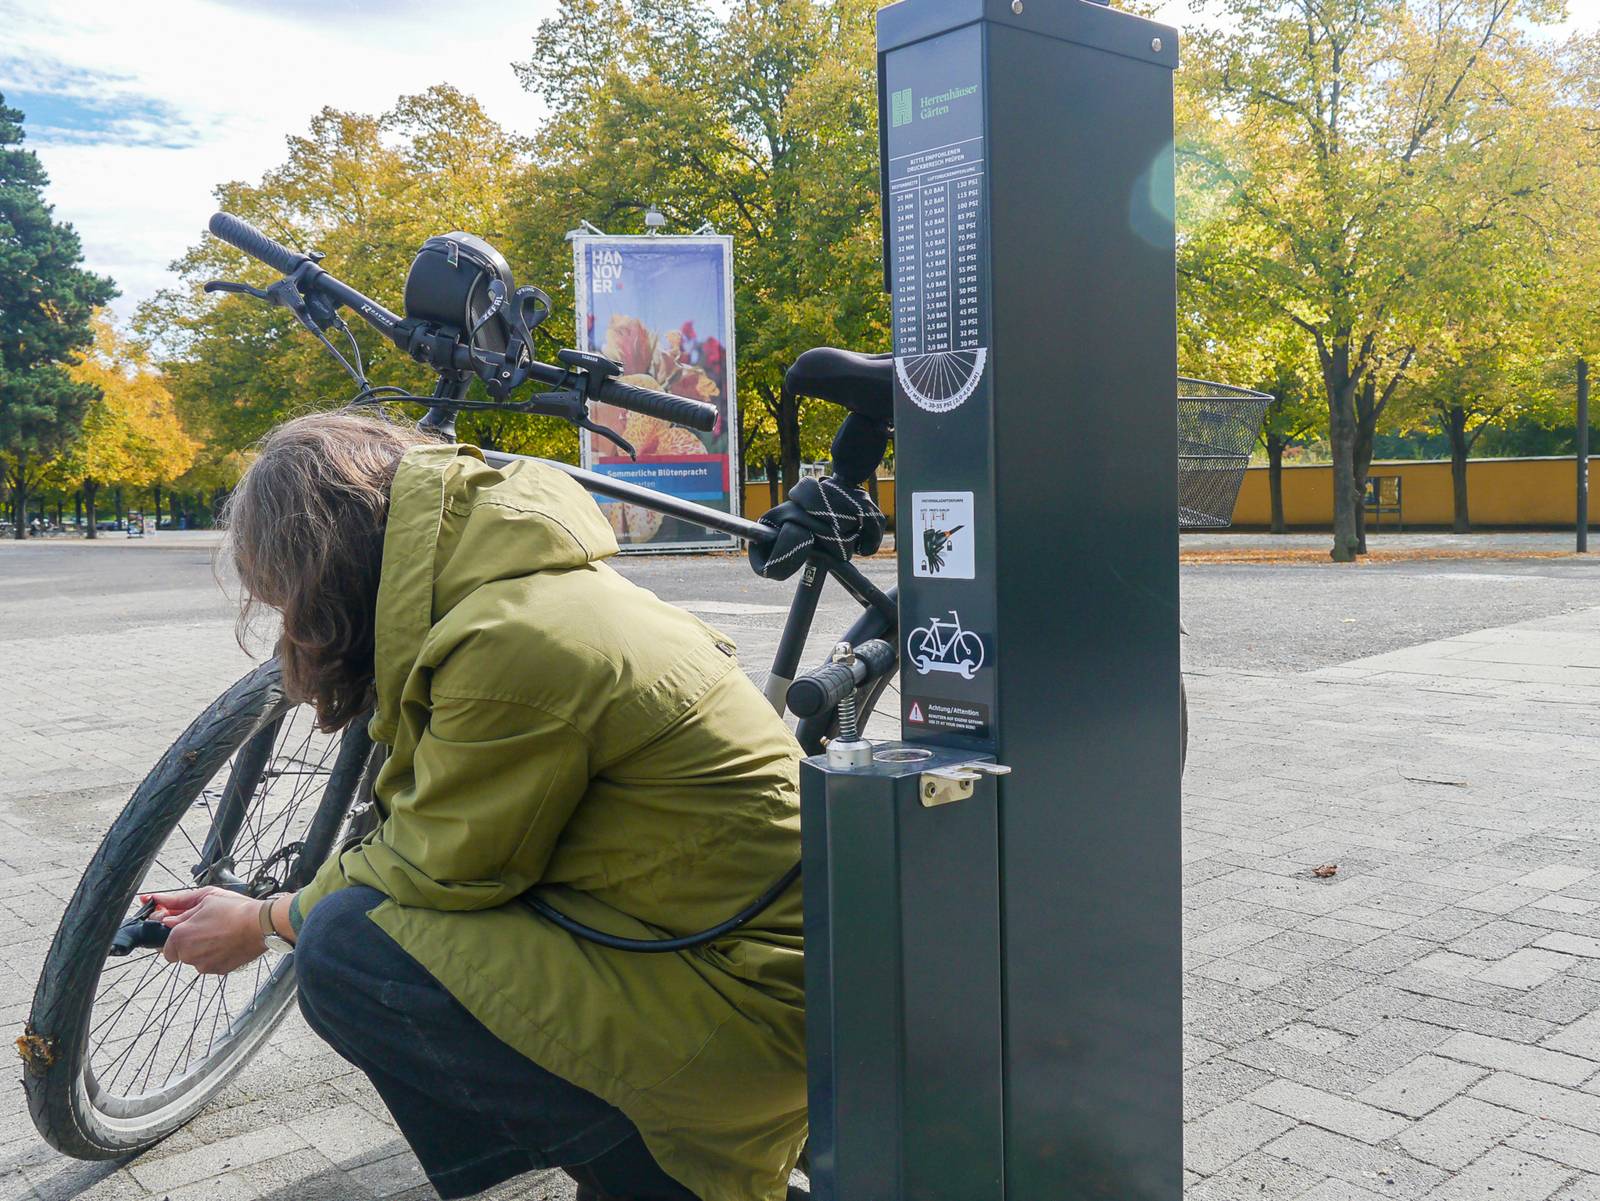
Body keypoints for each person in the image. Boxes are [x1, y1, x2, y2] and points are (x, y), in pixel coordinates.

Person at [147, 411, 808, 1201]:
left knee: (351, 948)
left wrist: (262, 920)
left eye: (284, 600)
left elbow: (440, 869)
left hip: (750, 1019)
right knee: (360, 922)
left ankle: (669, 1178)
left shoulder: (511, 643)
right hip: (736, 969)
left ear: (324, 572)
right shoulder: (524, 587)